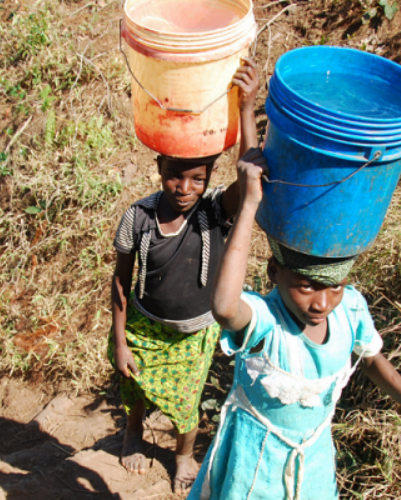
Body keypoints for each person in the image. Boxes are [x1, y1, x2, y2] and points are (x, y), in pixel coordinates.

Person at [187, 148, 401, 500]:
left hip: (313, 462)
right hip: (254, 466)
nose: (321, 303)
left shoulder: (350, 310)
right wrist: (249, 204)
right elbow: (225, 307)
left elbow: (372, 360)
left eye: (335, 287)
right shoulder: (267, 321)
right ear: (275, 273)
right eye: (306, 286)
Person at [108, 58, 259, 495]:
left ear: (210, 175)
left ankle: (182, 454)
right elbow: (121, 281)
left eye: (198, 177)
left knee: (186, 407)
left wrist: (247, 109)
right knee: (133, 383)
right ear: (159, 166)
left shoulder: (214, 210)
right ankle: (133, 431)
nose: (185, 187)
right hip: (143, 325)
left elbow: (252, 182)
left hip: (195, 334)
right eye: (176, 174)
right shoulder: (137, 217)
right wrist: (120, 340)